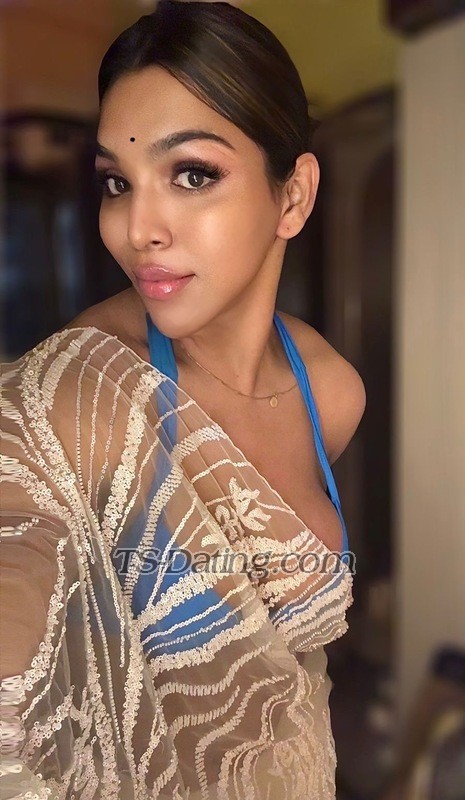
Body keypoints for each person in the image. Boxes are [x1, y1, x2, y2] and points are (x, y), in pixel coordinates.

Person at [0, 2, 366, 797]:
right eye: (116, 183)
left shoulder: (328, 392)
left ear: (293, 196)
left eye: (192, 175)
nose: (138, 229)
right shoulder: (77, 398)